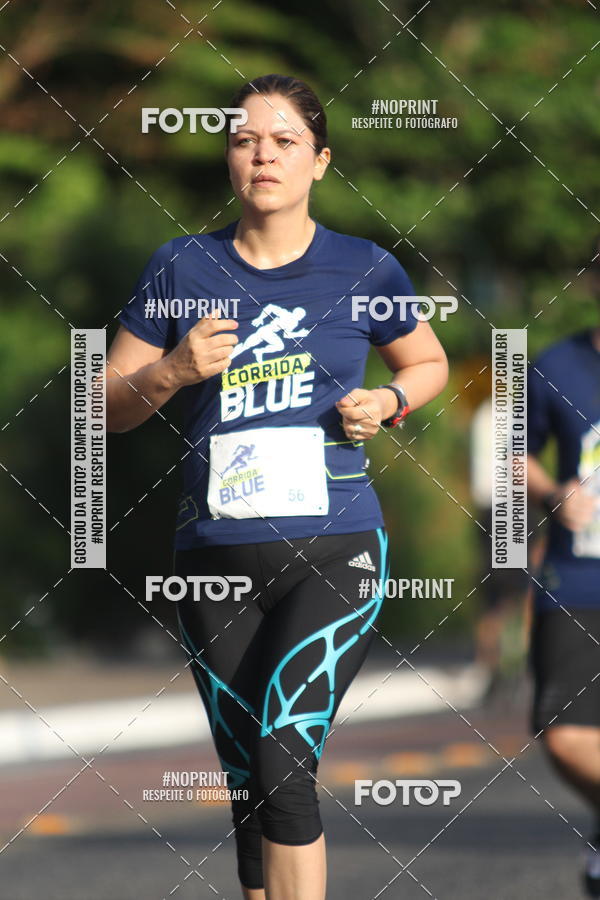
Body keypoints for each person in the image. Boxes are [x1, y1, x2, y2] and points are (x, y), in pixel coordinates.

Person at [106, 73, 448, 900]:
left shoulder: (365, 267)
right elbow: (103, 407)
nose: (263, 154)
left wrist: (390, 400)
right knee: (247, 780)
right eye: (245, 140)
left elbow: (427, 360)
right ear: (230, 158)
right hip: (213, 558)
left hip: (334, 549)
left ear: (320, 161)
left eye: (285, 140)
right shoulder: (182, 266)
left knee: (283, 761)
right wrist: (172, 370)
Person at [526, 292, 600, 897]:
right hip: (578, 578)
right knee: (565, 732)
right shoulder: (556, 365)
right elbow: (508, 455)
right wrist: (554, 492)